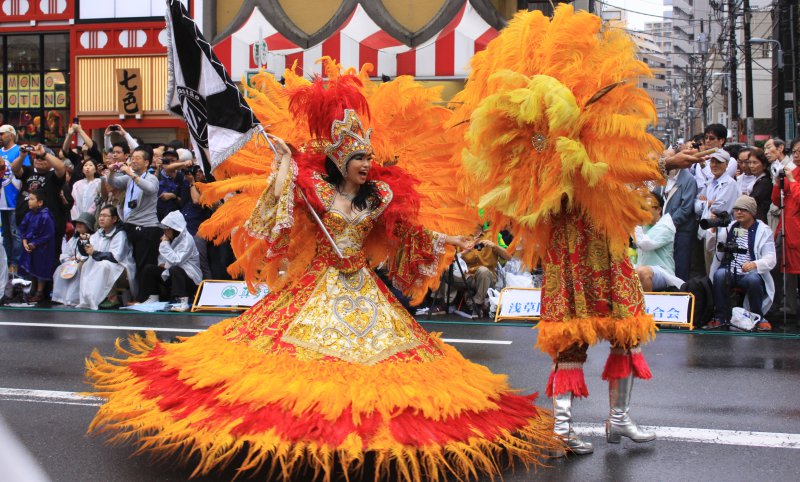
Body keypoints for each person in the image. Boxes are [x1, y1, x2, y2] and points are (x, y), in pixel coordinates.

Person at [85, 69, 561, 481]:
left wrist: (450, 242)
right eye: (358, 161)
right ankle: (305, 434)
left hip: (364, 289)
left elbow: (406, 236)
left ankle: (362, 433)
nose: (366, 166)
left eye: (368, 160)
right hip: (317, 284)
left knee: (387, 367)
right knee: (298, 366)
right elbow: (272, 220)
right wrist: (284, 171)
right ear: (340, 162)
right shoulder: (312, 191)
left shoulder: (377, 198)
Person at [454, 5, 660, 456]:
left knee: (628, 332)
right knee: (569, 341)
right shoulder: (536, 162)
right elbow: (541, 201)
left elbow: (621, 172)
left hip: (610, 255)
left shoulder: (593, 142)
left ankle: (619, 419)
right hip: (572, 264)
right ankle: (564, 428)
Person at [705, 195, 776, 330]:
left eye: (743, 210)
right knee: (719, 275)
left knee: (753, 279)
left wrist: (755, 264)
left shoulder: (763, 230)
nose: (738, 212)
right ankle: (720, 316)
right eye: (736, 209)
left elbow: (771, 257)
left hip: (750, 272)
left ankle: (757, 317)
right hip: (730, 270)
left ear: (752, 212)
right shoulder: (730, 227)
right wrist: (714, 229)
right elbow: (711, 247)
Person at [102, 146, 160, 301]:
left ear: (147, 162)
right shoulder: (129, 178)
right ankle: (137, 296)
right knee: (132, 262)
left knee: (144, 264)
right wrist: (112, 171)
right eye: (132, 158)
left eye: (137, 158)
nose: (133, 160)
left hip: (147, 227)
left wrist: (131, 174)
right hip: (130, 225)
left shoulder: (151, 177)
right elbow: (112, 182)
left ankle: (145, 297)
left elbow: (150, 189)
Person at [434, 223, 510, 318]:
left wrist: (494, 246)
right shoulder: (462, 235)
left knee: (483, 271)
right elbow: (453, 258)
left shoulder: (493, 234)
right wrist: (466, 250)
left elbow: (508, 256)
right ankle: (444, 304)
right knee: (444, 269)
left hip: (487, 278)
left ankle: (477, 305)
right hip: (466, 277)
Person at [10, 143, 67, 261]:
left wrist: (44, 153)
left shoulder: (53, 174)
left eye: (42, 159)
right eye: (36, 157)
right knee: (28, 258)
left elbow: (61, 167)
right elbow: (14, 169)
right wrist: (22, 156)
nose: (39, 160)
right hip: (26, 223)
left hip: (47, 227)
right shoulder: (29, 170)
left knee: (46, 260)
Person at [137, 210, 201, 311]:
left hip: (190, 281)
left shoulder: (187, 240)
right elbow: (162, 260)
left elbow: (176, 261)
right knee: (149, 269)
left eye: (167, 229)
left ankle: (182, 301)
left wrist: (164, 244)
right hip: (172, 276)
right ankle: (152, 297)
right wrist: (162, 264)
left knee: (175, 269)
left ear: (175, 229)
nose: (164, 232)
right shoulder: (171, 240)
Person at [76, 205, 136, 310]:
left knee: (104, 265)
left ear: (114, 219)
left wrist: (94, 253)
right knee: (84, 265)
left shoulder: (120, 234)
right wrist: (84, 242)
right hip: (105, 267)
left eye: (105, 216)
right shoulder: (98, 233)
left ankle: (112, 299)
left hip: (122, 270)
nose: (101, 218)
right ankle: (92, 297)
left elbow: (115, 257)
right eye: (100, 215)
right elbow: (87, 253)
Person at [695, 149, 738, 274]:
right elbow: (696, 205)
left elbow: (718, 208)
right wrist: (708, 202)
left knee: (718, 270)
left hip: (722, 233)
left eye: (718, 162)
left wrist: (705, 203)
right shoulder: (710, 183)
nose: (714, 165)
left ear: (726, 165)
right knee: (709, 270)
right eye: (712, 162)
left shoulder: (730, 184)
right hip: (707, 231)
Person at [770, 141, 800, 319]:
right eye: (794, 151)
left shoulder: (793, 175)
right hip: (786, 226)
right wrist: (777, 181)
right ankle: (788, 306)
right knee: (786, 267)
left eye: (799, 152)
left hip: (795, 226)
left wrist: (792, 180)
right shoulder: (793, 171)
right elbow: (777, 200)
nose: (796, 155)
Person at [656, 161, 697, 282]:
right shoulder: (662, 177)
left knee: (680, 266)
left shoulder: (689, 179)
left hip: (681, 230)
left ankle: (680, 296)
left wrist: (667, 225)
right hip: (662, 228)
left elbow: (686, 208)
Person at [635, 191, 683, 291]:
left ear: (659, 210)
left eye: (647, 208)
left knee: (642, 272)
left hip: (662, 272)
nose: (644, 211)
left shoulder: (666, 225)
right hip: (641, 267)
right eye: (642, 208)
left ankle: (645, 305)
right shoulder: (643, 224)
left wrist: (635, 223)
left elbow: (645, 244)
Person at [18, 190, 56, 303]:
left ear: (40, 202)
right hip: (29, 247)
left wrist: (35, 243)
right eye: (29, 199)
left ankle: (40, 292)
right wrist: (24, 241)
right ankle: (32, 290)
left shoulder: (46, 215)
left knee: (41, 269)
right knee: (32, 268)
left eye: (32, 199)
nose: (29, 201)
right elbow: (23, 228)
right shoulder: (29, 214)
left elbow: (48, 234)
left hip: (43, 248)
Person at [52, 212, 95, 307]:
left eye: (82, 223)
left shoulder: (93, 238)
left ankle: (73, 298)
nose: (78, 225)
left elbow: (90, 253)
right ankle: (60, 297)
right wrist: (68, 259)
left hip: (84, 263)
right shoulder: (74, 239)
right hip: (71, 263)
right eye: (77, 222)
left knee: (78, 270)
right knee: (60, 269)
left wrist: (80, 259)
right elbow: (65, 253)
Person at [746, 147, 773, 223]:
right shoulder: (756, 179)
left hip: (760, 219)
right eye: (750, 162)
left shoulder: (765, 182)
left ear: (764, 165)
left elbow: (753, 200)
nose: (751, 165)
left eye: (755, 162)